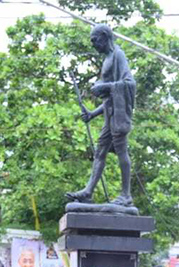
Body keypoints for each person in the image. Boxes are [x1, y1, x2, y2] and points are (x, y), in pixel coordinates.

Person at [66, 23, 137, 206]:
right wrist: (92, 114)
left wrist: (104, 87)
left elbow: (129, 83)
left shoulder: (117, 56)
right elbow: (109, 100)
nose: (93, 45)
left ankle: (126, 195)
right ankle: (88, 192)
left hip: (119, 116)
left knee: (122, 151)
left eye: (95, 40)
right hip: (109, 115)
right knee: (100, 152)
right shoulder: (106, 59)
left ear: (105, 37)